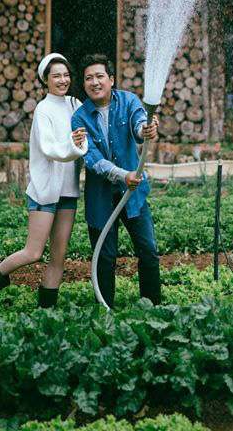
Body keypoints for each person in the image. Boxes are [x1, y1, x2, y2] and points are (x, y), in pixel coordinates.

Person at [0, 53, 88, 318]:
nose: (63, 80)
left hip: (68, 192)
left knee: (59, 255)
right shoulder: (43, 109)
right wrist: (75, 145)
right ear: (45, 80)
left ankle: (46, 313)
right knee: (33, 252)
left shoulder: (76, 104)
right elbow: (50, 149)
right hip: (46, 191)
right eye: (56, 76)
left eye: (66, 75)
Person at [71, 53, 161, 309]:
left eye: (100, 76)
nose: (94, 82)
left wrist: (146, 130)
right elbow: (93, 159)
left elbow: (138, 124)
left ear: (111, 79)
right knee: (105, 257)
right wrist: (124, 175)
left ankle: (152, 308)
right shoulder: (79, 118)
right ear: (85, 84)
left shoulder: (129, 101)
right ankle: (105, 309)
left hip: (133, 195)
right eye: (89, 78)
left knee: (148, 251)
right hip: (101, 197)